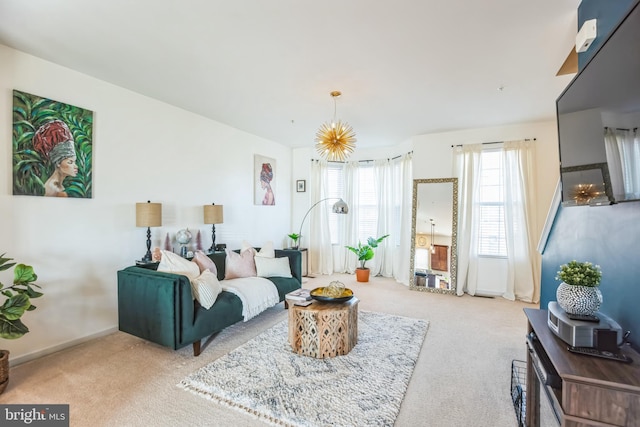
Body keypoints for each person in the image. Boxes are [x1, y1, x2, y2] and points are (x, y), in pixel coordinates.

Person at [32, 120, 78, 197]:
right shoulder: (55, 189)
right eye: (70, 162)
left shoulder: (58, 186)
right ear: (58, 163)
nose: (76, 166)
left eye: (74, 162)